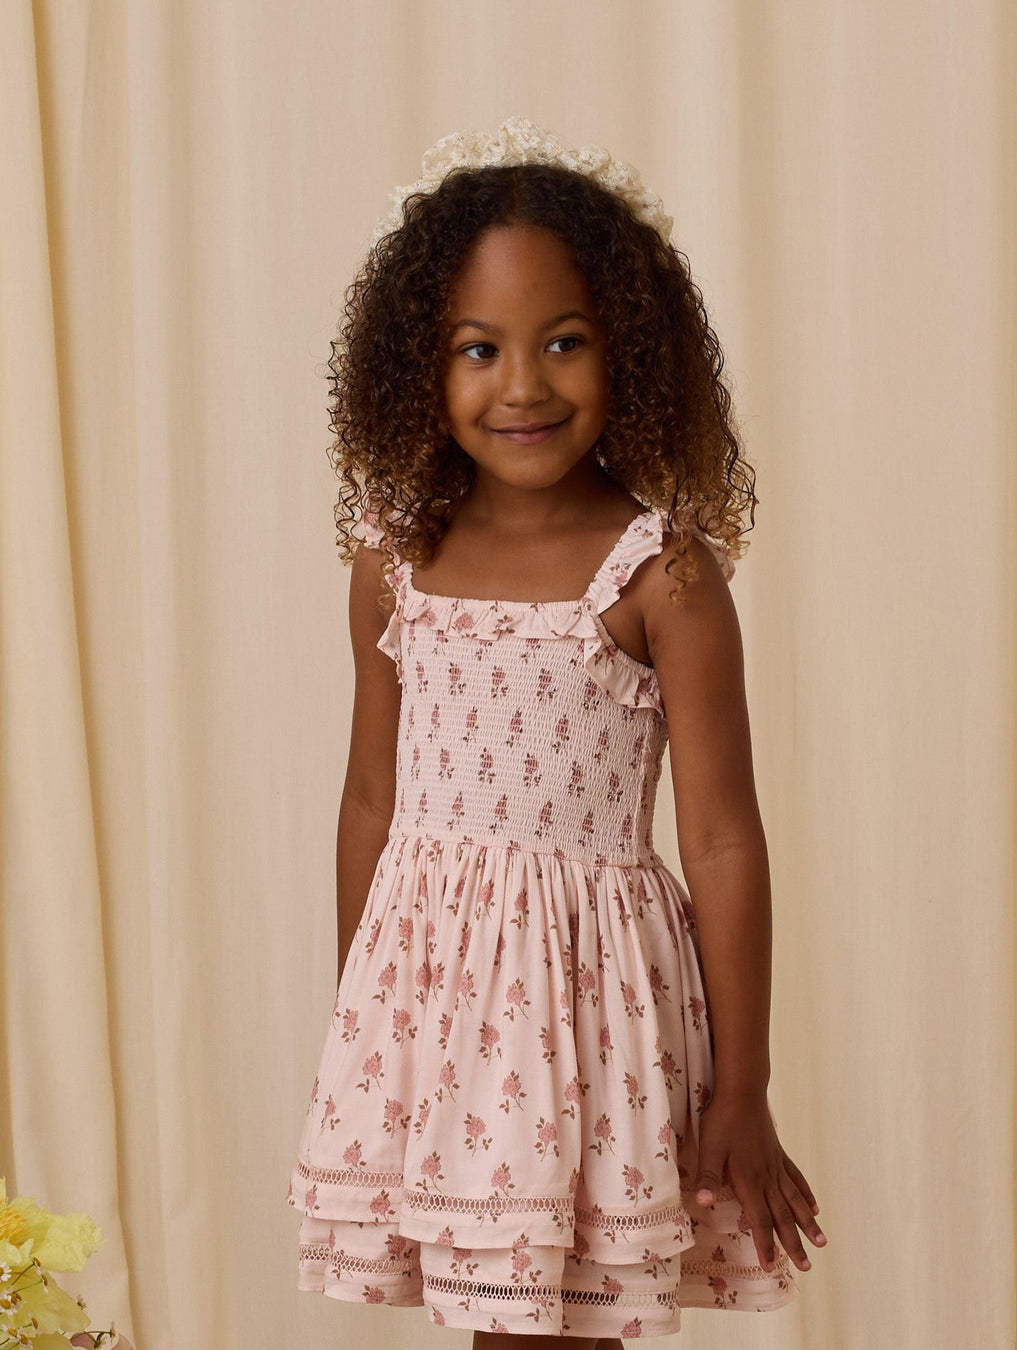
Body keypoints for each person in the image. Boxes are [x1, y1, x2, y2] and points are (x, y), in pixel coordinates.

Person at [285, 117, 826, 1345]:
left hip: (588, 1015)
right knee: (511, 1326)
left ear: (629, 353)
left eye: (564, 343)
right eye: (478, 349)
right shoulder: (393, 561)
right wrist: (362, 1019)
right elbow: (372, 801)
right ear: (416, 368)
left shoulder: (662, 575)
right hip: (434, 1011)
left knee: (553, 1326)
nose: (522, 386)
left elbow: (725, 841)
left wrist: (745, 1085)